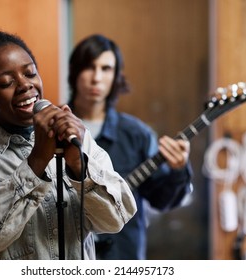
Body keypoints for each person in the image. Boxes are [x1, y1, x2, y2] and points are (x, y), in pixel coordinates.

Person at [0, 30, 137, 260]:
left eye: (30, 73)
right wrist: (36, 161)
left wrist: (78, 165)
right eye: (6, 82)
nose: (25, 85)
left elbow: (115, 220)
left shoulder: (75, 135)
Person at [67, 34, 193, 260]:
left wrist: (179, 170)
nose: (96, 78)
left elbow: (161, 200)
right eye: (89, 67)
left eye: (106, 69)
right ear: (75, 71)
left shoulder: (137, 135)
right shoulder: (52, 128)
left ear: (116, 76)